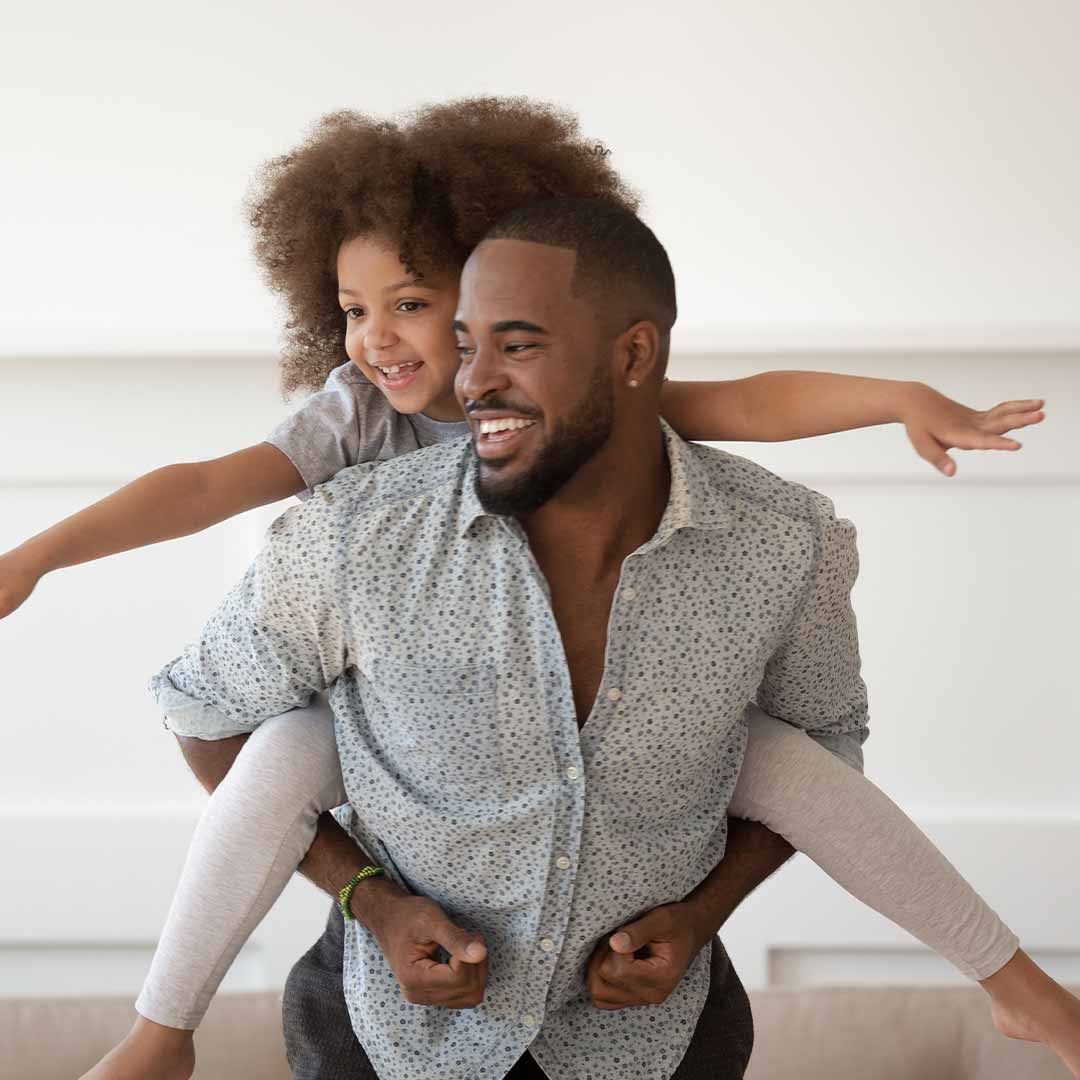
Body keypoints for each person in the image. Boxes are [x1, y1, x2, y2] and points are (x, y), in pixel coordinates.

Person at [0, 101, 1050, 1078]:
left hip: (648, 1014)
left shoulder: (722, 499)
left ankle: (1017, 985)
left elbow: (745, 400)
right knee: (276, 753)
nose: (380, 340)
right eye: (355, 310)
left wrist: (900, 397)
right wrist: (36, 556)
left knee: (784, 757)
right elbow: (203, 492)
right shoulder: (359, 435)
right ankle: (161, 1029)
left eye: (418, 307)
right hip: (368, 708)